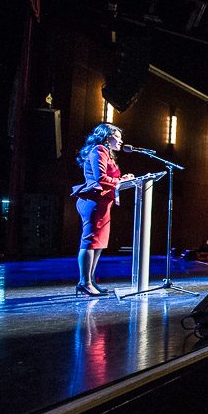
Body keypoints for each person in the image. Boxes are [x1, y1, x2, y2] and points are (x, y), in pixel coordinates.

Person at [71, 123, 134, 297]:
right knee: (90, 241)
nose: (121, 141)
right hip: (93, 201)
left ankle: (89, 281)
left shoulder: (107, 153)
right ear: (107, 137)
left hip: (103, 202)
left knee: (98, 243)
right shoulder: (99, 150)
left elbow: (110, 179)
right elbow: (100, 178)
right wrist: (120, 182)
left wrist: (122, 179)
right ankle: (85, 282)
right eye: (117, 136)